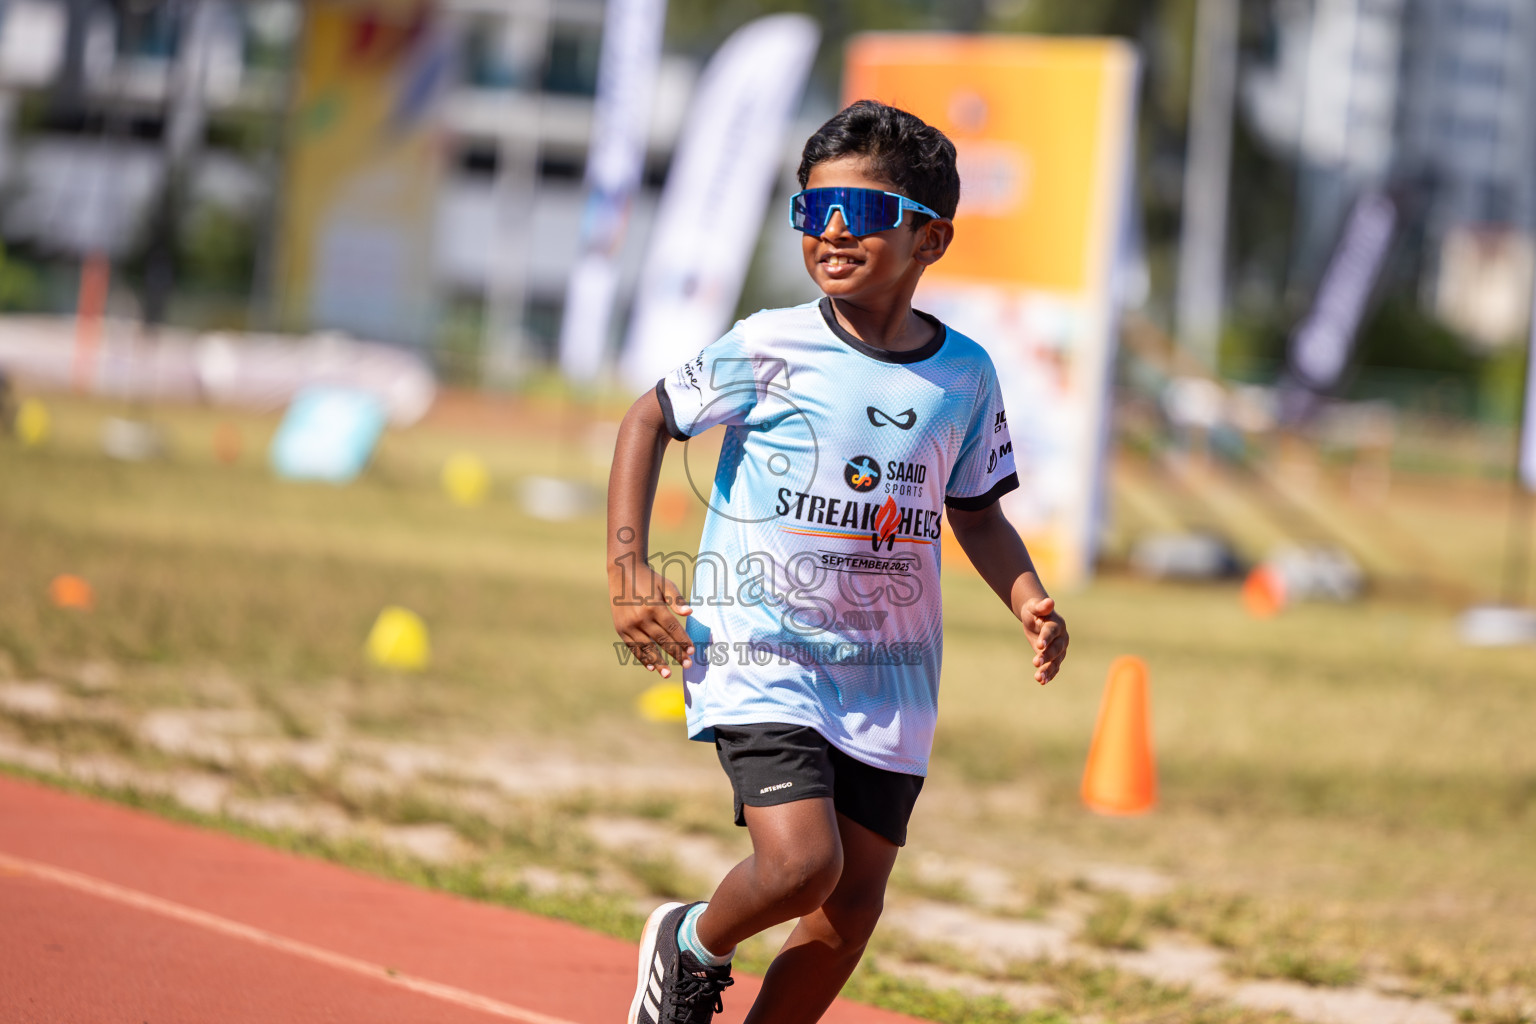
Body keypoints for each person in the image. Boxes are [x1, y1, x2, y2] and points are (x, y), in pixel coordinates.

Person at [607, 99, 1069, 1024]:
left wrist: (1028, 596)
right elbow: (648, 418)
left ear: (931, 237)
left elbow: (977, 512)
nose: (831, 233)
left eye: (857, 213)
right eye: (812, 211)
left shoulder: (966, 375)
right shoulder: (771, 343)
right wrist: (628, 573)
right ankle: (690, 946)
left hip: (891, 676)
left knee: (851, 906)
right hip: (761, 650)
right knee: (801, 865)